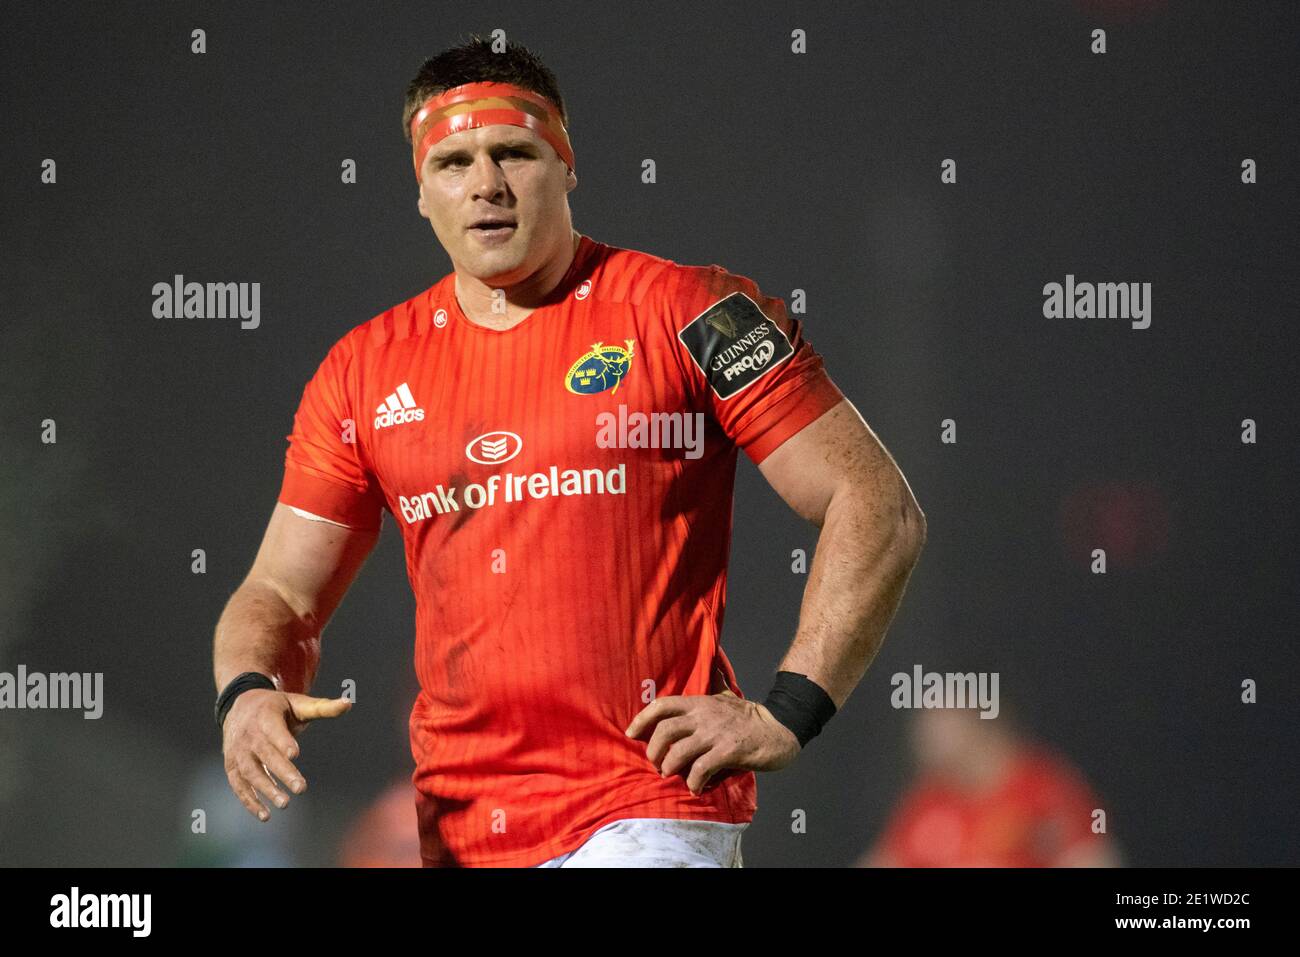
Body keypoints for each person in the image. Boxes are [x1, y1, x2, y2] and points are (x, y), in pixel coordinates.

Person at [211, 35, 926, 868]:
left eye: (514, 151)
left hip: (644, 811)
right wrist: (248, 690)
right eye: (452, 162)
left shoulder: (696, 310)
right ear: (420, 193)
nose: (486, 184)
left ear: (567, 165)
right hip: (459, 828)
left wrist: (785, 710)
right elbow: (281, 591)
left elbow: (877, 503)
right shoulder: (363, 368)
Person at [858, 705, 1122, 867]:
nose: (928, 734)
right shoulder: (928, 799)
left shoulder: (1043, 788)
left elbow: (1092, 859)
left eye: (945, 717)